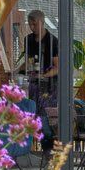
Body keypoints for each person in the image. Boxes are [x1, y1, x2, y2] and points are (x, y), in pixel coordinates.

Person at [22, 10, 59, 153]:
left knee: (45, 120)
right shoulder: (28, 40)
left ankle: (48, 153)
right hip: (34, 86)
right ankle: (42, 152)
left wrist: (44, 75)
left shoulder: (52, 41)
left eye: (34, 24)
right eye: (30, 24)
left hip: (49, 87)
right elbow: (28, 62)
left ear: (42, 23)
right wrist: (16, 71)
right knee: (34, 118)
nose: (32, 27)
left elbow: (58, 67)